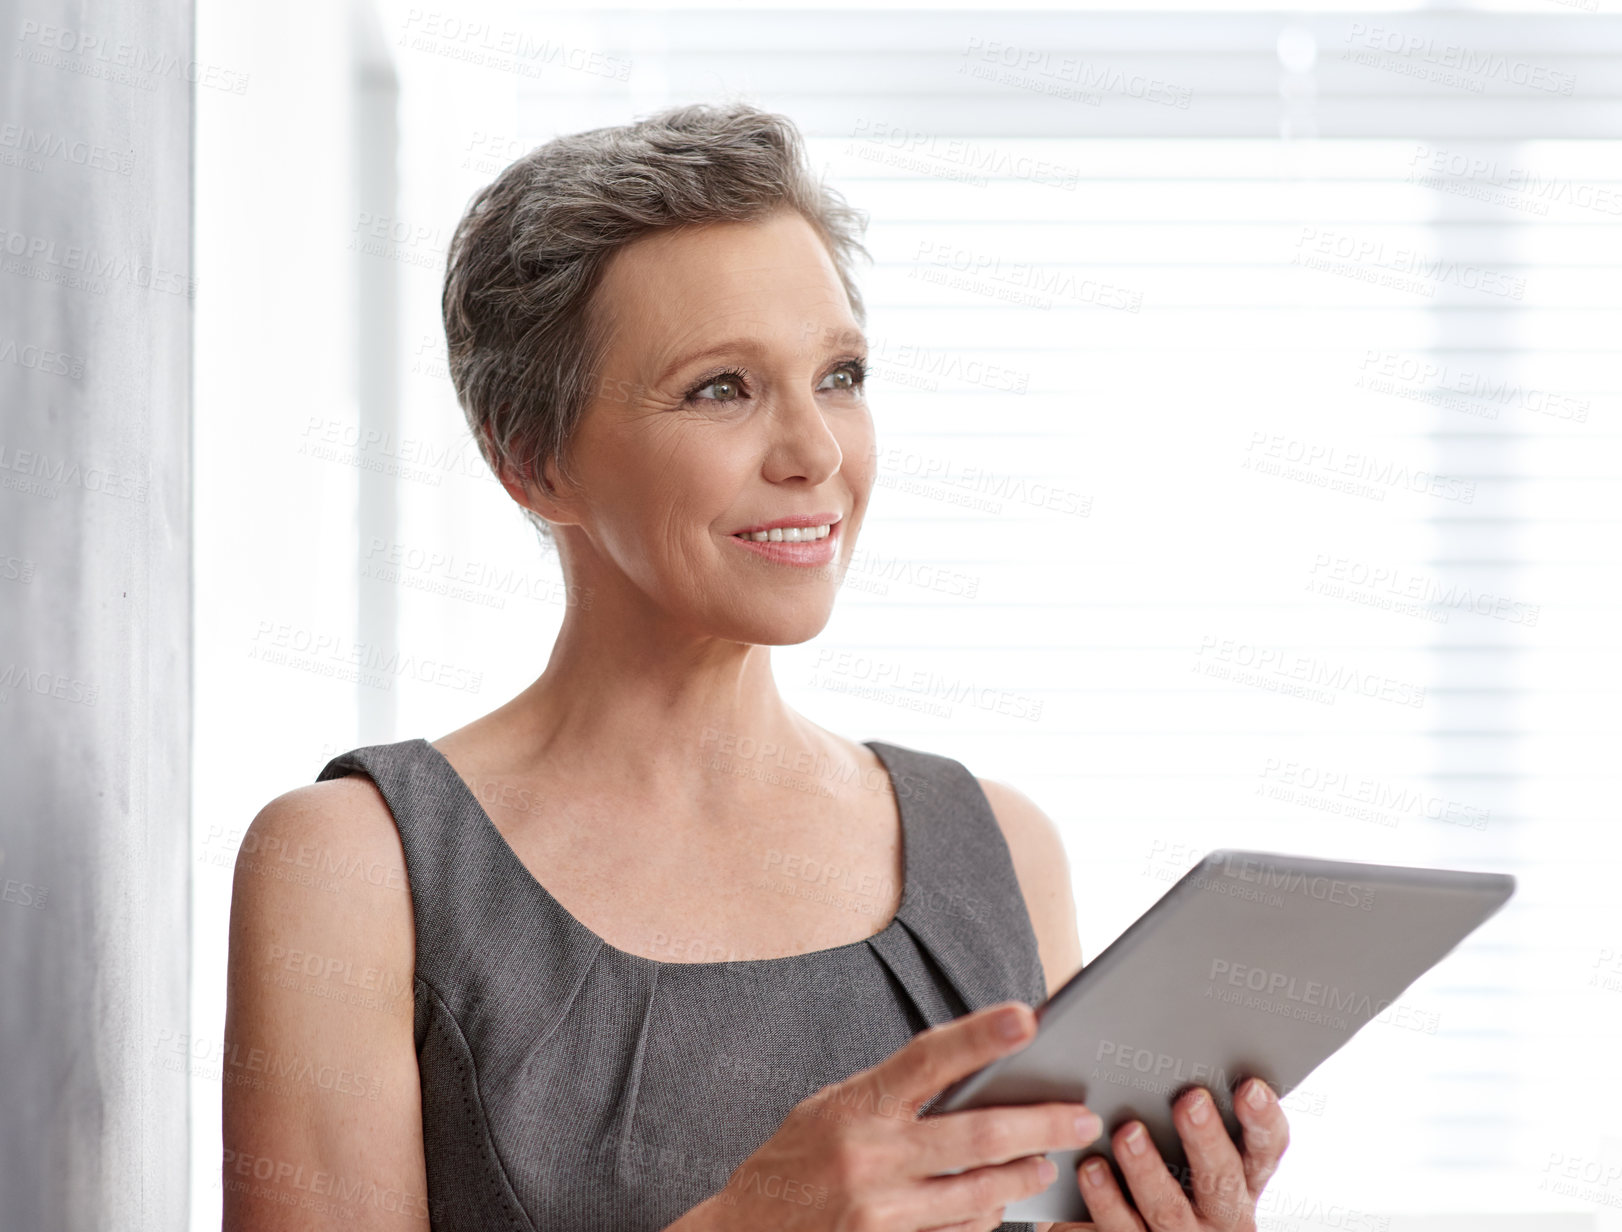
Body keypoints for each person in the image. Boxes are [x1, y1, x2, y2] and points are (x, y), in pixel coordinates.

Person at [223, 100, 1289, 1232]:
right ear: (532, 461)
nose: (815, 452)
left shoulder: (1001, 848)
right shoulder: (354, 866)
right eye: (720, 387)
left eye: (840, 373)